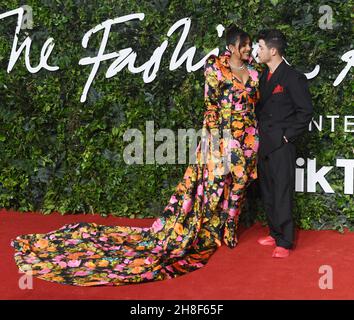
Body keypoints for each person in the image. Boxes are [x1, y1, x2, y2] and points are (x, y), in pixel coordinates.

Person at [10, 25, 261, 286]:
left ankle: (230, 228)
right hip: (220, 137)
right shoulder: (214, 67)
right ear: (231, 46)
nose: (247, 49)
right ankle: (209, 232)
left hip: (250, 137)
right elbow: (210, 106)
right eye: (243, 45)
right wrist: (217, 139)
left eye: (249, 44)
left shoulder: (255, 70)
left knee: (240, 184)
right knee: (214, 186)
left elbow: (255, 103)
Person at [256, 29, 313, 258]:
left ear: (273, 50)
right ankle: (274, 232)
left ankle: (285, 241)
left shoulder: (292, 77)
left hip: (281, 145)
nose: (256, 51)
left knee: (282, 192)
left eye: (260, 47)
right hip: (264, 144)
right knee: (268, 191)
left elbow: (305, 112)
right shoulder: (262, 77)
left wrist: (286, 136)